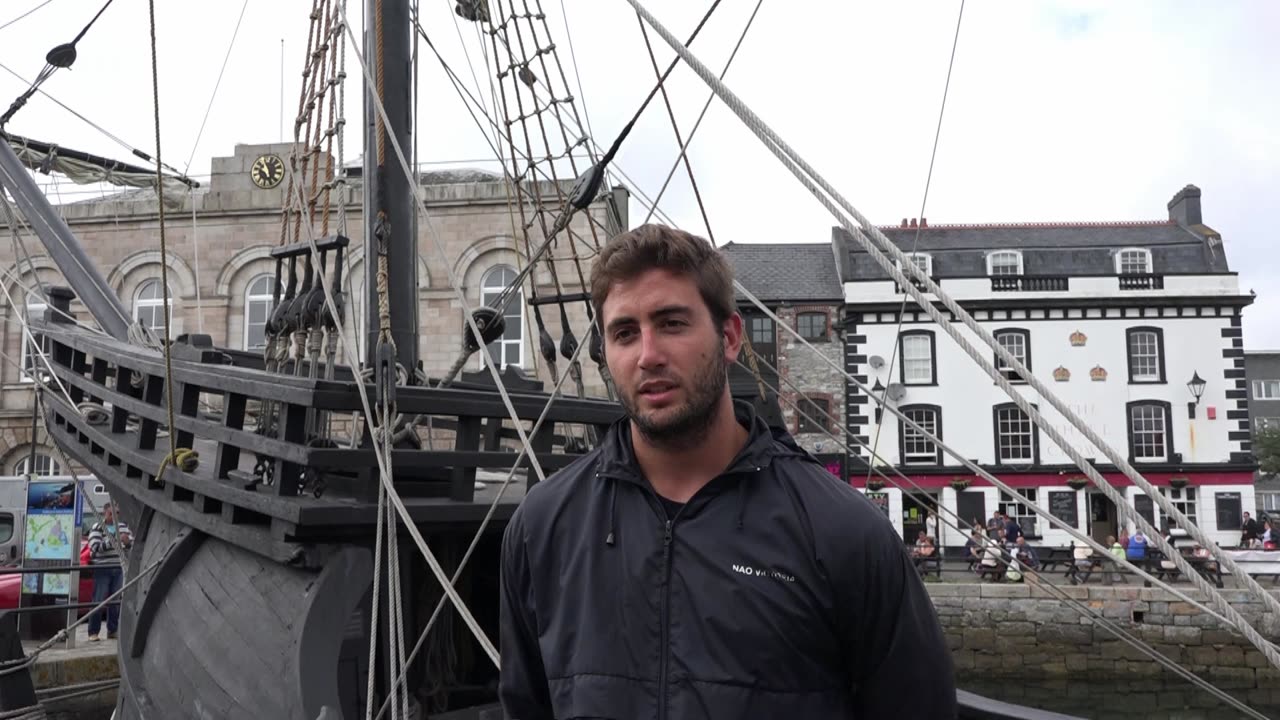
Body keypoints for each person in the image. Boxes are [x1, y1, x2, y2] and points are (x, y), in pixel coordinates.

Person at [498, 224, 956, 718]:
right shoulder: (541, 528)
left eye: (672, 323)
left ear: (730, 336)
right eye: (625, 333)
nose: (648, 355)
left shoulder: (844, 533)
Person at [86, 503, 128, 641]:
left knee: (115, 601)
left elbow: (129, 544)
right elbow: (95, 547)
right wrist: (115, 541)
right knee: (98, 599)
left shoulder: (122, 527)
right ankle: (93, 631)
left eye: (117, 513)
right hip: (102, 568)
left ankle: (112, 629)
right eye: (111, 514)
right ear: (105, 513)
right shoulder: (97, 528)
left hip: (118, 567)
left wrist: (127, 542)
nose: (114, 516)